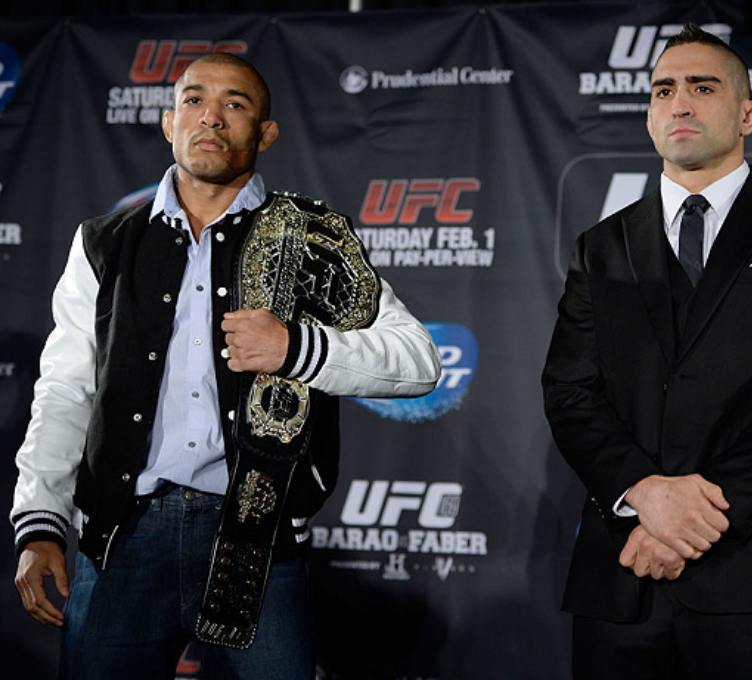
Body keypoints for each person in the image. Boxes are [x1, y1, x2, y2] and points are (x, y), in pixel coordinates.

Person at [11, 53, 440, 679]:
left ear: (264, 133)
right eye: (194, 99)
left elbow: (419, 360)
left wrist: (298, 348)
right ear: (167, 122)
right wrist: (40, 521)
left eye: (235, 103)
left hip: (259, 541)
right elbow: (65, 390)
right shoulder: (105, 242)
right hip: (121, 535)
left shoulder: (311, 237)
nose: (211, 115)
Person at [542, 23, 752, 679]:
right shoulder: (599, 247)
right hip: (622, 577)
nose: (679, 104)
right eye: (663, 91)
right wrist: (644, 495)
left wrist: (688, 520)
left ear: (748, 113)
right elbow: (571, 392)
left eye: (702, 87)